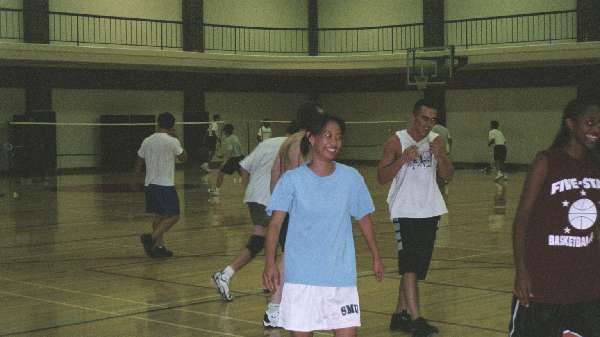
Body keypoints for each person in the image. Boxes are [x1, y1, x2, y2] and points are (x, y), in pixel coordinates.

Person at [263, 113, 384, 337]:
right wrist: (270, 262)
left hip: (340, 277)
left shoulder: (351, 178)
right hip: (301, 278)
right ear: (312, 138)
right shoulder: (292, 180)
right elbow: (275, 225)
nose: (334, 142)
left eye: (338, 137)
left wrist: (376, 256)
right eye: (328, 135)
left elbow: (364, 219)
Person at [509, 99, 600, 337]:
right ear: (570, 124)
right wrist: (521, 271)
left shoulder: (596, 167)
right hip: (543, 282)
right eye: (590, 123)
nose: (596, 130)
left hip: (587, 283)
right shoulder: (547, 161)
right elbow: (522, 219)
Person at [377, 99, 453, 337]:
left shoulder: (437, 141)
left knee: (416, 268)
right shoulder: (396, 141)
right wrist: (402, 160)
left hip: (429, 209)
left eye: (432, 120)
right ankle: (416, 319)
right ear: (414, 116)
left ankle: (399, 314)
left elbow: (448, 176)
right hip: (405, 210)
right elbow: (381, 177)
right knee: (409, 266)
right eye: (424, 118)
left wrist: (441, 157)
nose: (427, 124)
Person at [211, 126, 290, 301]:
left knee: (259, 240)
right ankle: (272, 284)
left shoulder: (267, 143)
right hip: (270, 198)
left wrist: (248, 190)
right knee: (278, 240)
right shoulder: (294, 147)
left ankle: (227, 275)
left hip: (255, 197)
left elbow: (244, 167)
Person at [263, 102, 323, 328]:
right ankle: (274, 308)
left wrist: (277, 205)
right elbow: (304, 176)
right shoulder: (304, 142)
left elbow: (275, 174)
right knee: (287, 259)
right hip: (298, 209)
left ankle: (287, 306)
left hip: (287, 207)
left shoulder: (288, 141)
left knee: (293, 258)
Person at [136, 112, 187, 258]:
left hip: (150, 184)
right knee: (174, 216)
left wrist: (136, 179)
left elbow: (139, 159)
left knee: (159, 216)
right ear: (172, 125)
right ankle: (151, 239)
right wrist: (177, 139)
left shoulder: (148, 140)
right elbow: (184, 158)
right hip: (164, 185)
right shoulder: (172, 141)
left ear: (158, 123)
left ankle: (159, 247)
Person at [210, 124, 244, 195]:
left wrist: (224, 162)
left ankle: (216, 191)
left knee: (221, 173)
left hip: (234, 159)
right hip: (241, 157)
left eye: (224, 131)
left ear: (226, 131)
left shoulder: (228, 139)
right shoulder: (235, 137)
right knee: (244, 175)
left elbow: (229, 151)